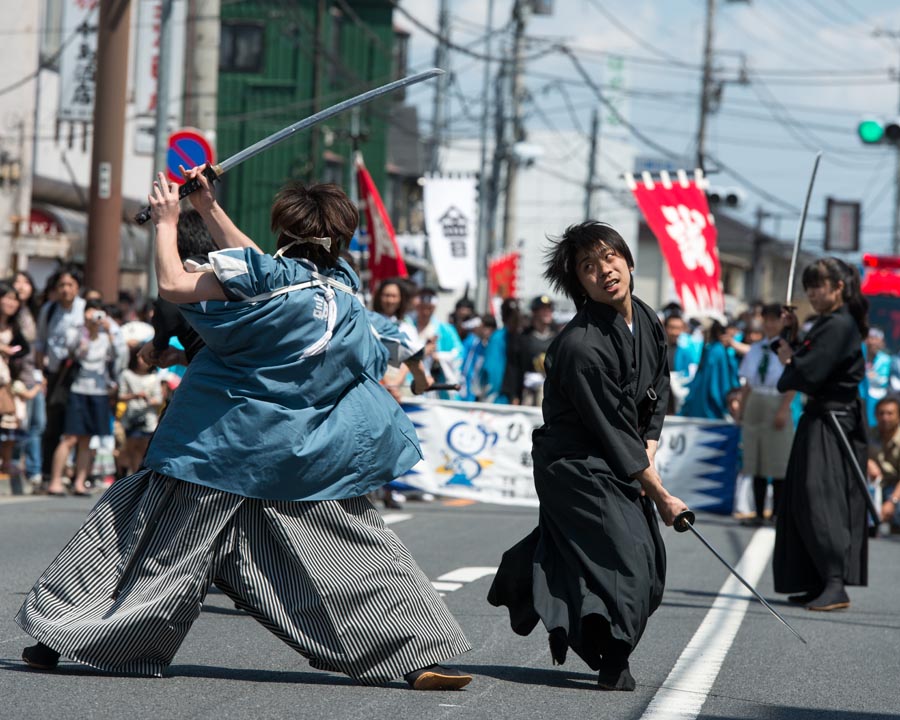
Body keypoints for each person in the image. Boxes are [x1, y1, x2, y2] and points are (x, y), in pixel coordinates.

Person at [17, 166, 471, 690]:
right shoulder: (342, 293)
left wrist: (167, 222)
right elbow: (263, 267)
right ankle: (417, 653)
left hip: (213, 443)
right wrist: (208, 208)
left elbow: (174, 283)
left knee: (147, 547)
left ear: (284, 231)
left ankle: (59, 638)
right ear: (339, 239)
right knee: (358, 553)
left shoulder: (267, 282)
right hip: (296, 450)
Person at [488, 221, 689, 691]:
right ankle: (612, 658)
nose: (603, 271)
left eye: (609, 257)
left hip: (621, 456)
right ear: (579, 283)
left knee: (650, 567)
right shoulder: (580, 346)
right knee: (629, 563)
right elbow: (614, 426)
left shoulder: (648, 319)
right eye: (587, 267)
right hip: (575, 465)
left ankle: (532, 568)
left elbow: (657, 389)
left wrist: (651, 450)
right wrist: (660, 495)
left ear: (628, 260)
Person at [773, 257, 869, 612]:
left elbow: (806, 373)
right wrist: (794, 335)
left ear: (839, 288)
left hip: (833, 422)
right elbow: (806, 364)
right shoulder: (829, 324)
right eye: (809, 286)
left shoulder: (839, 325)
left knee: (821, 497)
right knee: (801, 495)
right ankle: (813, 579)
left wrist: (789, 357)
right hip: (820, 418)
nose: (813, 292)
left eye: (819, 285)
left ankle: (834, 582)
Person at [44, 299, 118, 496]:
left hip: (99, 391)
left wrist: (110, 332)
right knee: (69, 437)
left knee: (87, 439)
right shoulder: (77, 330)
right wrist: (86, 330)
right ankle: (56, 481)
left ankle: (79, 482)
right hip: (77, 389)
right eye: (92, 311)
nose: (96, 317)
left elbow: (119, 356)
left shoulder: (108, 334)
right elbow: (70, 350)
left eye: (99, 313)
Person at [736, 303, 796, 525]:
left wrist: (783, 409)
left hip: (776, 400)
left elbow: (792, 382)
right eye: (767, 320)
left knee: (778, 461)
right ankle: (759, 513)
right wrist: (741, 408)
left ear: (784, 321)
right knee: (756, 459)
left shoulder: (787, 348)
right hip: (755, 402)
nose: (770, 324)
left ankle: (777, 514)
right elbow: (747, 383)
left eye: (775, 320)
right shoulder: (755, 348)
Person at [34, 267, 85, 490]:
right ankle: (49, 472)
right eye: (61, 285)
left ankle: (72, 472)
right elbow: (40, 343)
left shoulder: (85, 310)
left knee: (75, 426)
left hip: (80, 375)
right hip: (55, 375)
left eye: (70, 285)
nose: (65, 289)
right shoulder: (49, 309)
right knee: (53, 424)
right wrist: (40, 373)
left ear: (78, 287)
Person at [680, 317, 740, 420]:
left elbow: (716, 383)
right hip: (706, 406)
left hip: (704, 405)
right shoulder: (715, 350)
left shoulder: (715, 350)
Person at [503, 295, 558, 406]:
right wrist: (513, 394)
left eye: (549, 309)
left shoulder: (558, 338)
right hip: (527, 390)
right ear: (534, 312)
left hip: (551, 392)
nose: (547, 313)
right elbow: (514, 367)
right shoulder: (523, 338)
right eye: (543, 310)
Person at [867, 395, 900, 534]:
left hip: (895, 489)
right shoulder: (869, 434)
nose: (885, 417)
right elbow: (856, 454)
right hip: (874, 487)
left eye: (890, 413)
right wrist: (867, 462)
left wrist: (892, 501)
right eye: (881, 413)